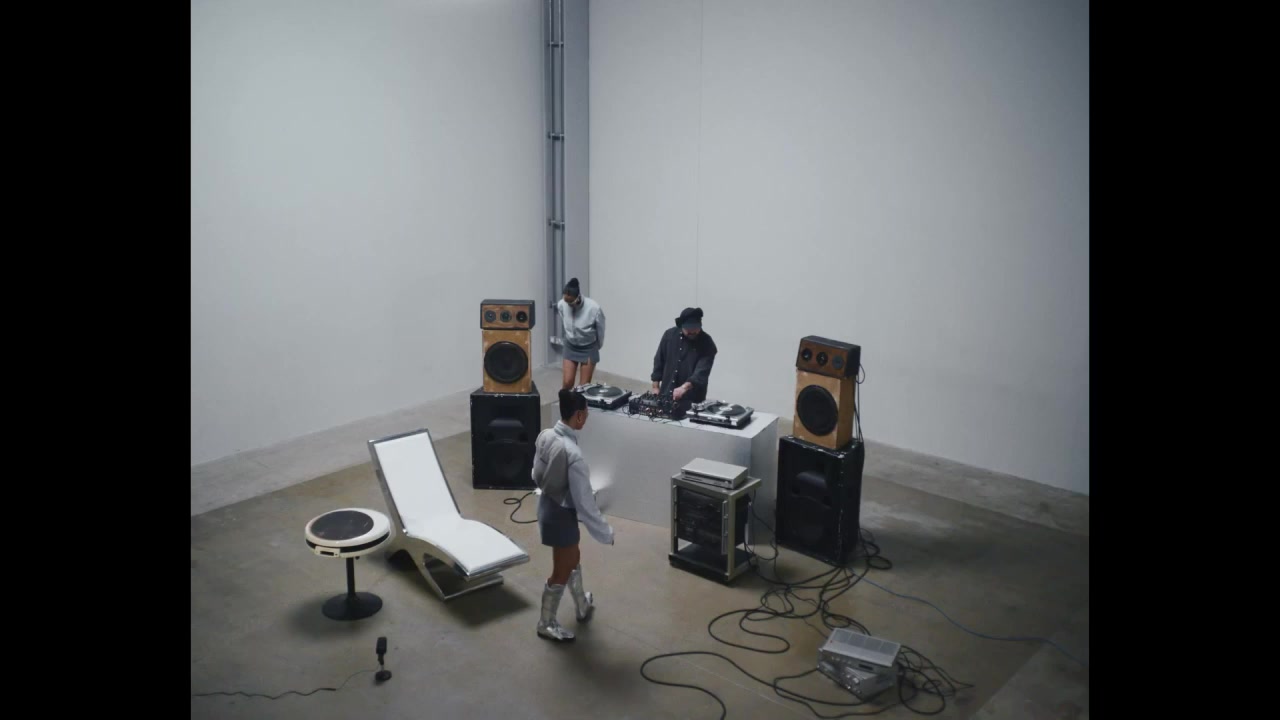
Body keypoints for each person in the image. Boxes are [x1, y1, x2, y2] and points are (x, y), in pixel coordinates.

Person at [530, 388, 615, 642]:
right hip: (561, 515)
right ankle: (546, 623)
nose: (586, 417)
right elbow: (585, 504)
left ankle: (581, 605)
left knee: (572, 557)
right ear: (578, 415)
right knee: (561, 569)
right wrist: (605, 532)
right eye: (586, 413)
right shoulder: (573, 455)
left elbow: (535, 473)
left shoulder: (546, 435)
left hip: (547, 506)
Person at [651, 307, 718, 405]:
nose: (693, 332)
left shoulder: (707, 343)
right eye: (689, 329)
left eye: (696, 328)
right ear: (681, 325)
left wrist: (684, 388)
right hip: (666, 394)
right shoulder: (669, 335)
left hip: (692, 399)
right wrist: (655, 386)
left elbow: (701, 372)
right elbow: (659, 361)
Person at [555, 278, 606, 390]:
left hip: (588, 347)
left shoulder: (594, 308)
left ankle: (578, 402)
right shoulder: (561, 304)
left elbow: (601, 329)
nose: (568, 305)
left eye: (571, 302)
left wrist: (597, 346)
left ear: (578, 297)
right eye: (566, 302)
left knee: (583, 388)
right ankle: (565, 402)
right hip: (570, 345)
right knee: (567, 383)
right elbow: (564, 318)